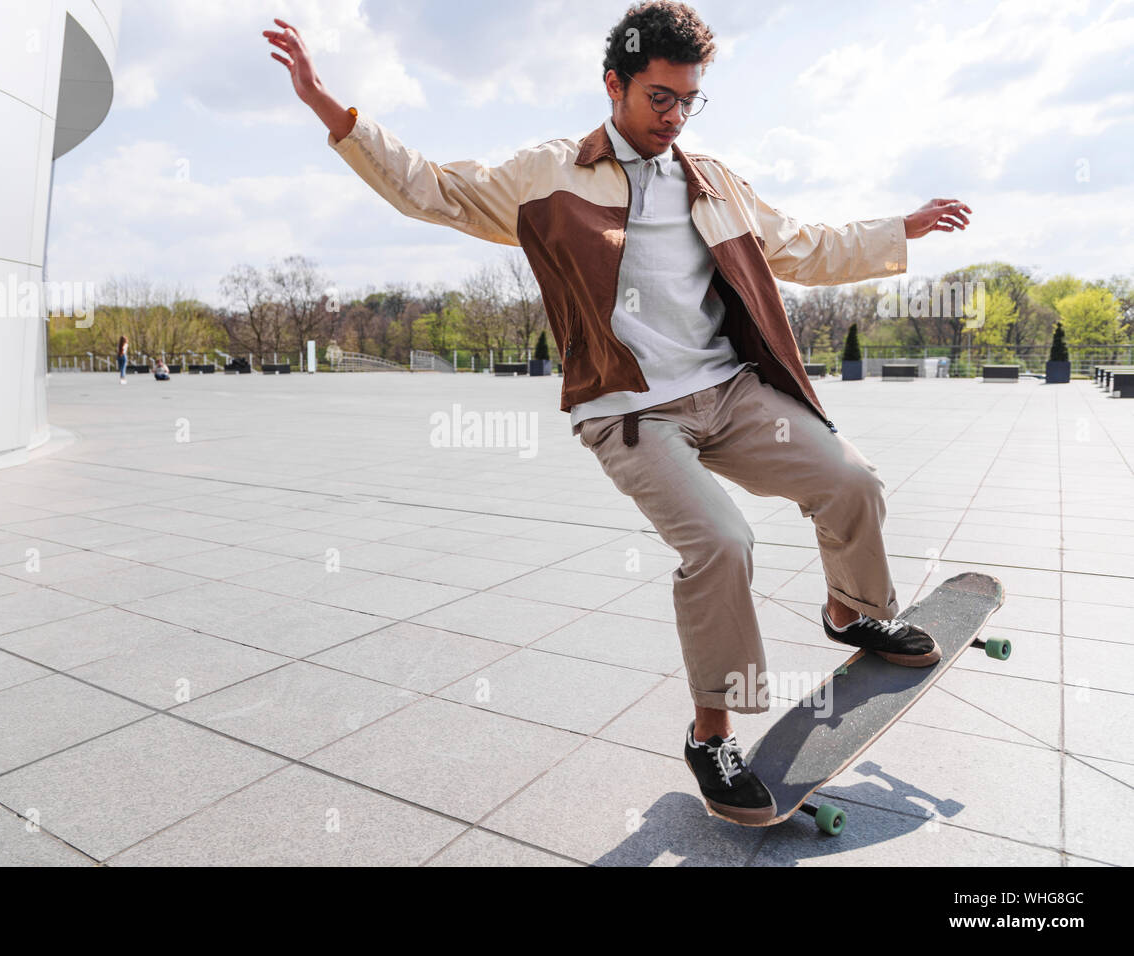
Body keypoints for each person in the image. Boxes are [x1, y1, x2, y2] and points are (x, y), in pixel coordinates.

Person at [266, 2, 972, 825]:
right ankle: (712, 734)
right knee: (721, 542)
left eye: (688, 100)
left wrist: (901, 228)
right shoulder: (550, 173)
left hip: (731, 393)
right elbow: (434, 191)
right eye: (658, 98)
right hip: (631, 408)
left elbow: (801, 246)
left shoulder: (713, 182)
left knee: (851, 481)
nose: (674, 117)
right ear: (615, 84)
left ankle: (851, 611)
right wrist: (330, 108)